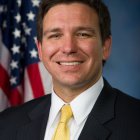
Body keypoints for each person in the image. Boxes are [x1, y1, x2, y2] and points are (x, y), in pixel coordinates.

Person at [0, 0, 140, 139]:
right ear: (40, 49)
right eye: (55, 35)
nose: (68, 48)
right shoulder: (7, 123)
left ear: (105, 46)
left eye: (82, 34)